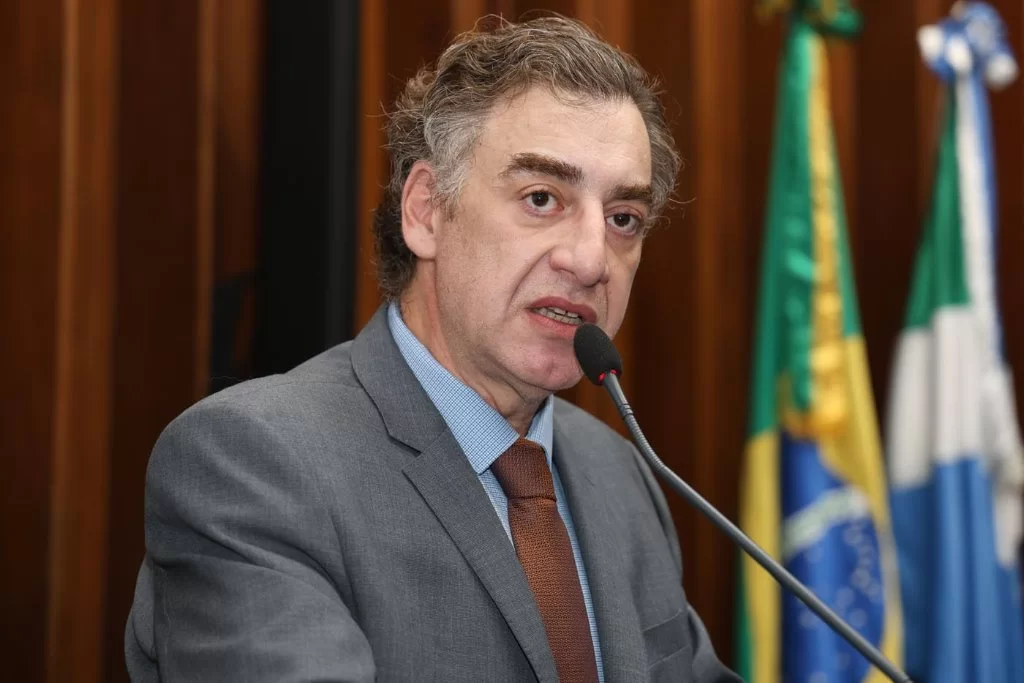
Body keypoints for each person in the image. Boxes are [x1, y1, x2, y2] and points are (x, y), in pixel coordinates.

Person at [125, 15, 739, 683]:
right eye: (541, 198)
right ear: (425, 211)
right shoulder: (255, 464)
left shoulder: (619, 472)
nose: (592, 259)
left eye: (623, 218)